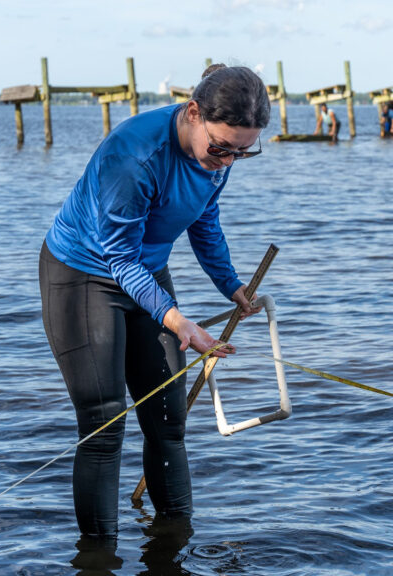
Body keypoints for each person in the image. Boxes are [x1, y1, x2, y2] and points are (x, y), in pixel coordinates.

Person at [39, 64, 265, 538]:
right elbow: (118, 258)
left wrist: (231, 285)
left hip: (146, 274)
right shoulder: (135, 155)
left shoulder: (217, 159)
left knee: (168, 420)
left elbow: (204, 218)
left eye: (242, 153)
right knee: (104, 423)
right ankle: (97, 559)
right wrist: (179, 321)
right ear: (192, 112)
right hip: (86, 274)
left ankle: (176, 545)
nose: (226, 161)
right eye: (221, 147)